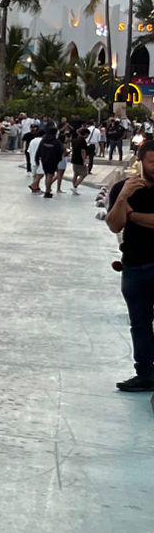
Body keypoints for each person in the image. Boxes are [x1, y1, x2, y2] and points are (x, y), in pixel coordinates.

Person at [106, 141, 154, 392]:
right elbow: (114, 225)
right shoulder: (122, 188)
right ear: (141, 162)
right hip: (134, 265)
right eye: (152, 162)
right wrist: (123, 197)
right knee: (139, 323)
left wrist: (132, 216)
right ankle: (145, 373)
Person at [36, 126, 65, 198]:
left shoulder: (43, 140)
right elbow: (60, 151)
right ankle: (47, 191)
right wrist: (59, 159)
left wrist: (37, 159)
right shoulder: (56, 142)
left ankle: (47, 190)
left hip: (44, 160)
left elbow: (39, 150)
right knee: (50, 175)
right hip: (52, 160)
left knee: (47, 175)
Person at [71, 125, 94, 195]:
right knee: (84, 174)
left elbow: (78, 131)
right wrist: (84, 160)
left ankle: (74, 187)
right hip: (79, 159)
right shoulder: (82, 141)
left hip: (74, 158)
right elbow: (83, 151)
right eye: (87, 135)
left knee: (76, 173)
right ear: (86, 134)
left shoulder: (76, 139)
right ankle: (75, 186)